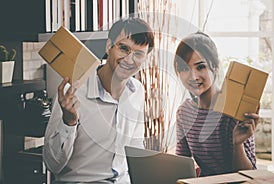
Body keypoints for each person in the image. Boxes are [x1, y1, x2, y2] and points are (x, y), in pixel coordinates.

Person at [43, 17, 154, 183]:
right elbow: (53, 164)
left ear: (145, 58)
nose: (129, 60)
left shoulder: (137, 91)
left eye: (138, 54)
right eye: (123, 49)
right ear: (109, 46)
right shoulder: (74, 92)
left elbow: (135, 149)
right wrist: (69, 121)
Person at [174, 31, 259, 177]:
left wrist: (237, 144)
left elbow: (248, 175)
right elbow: (181, 165)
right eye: (184, 69)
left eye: (200, 67)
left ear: (215, 67)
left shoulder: (233, 109)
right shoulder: (184, 112)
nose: (193, 76)